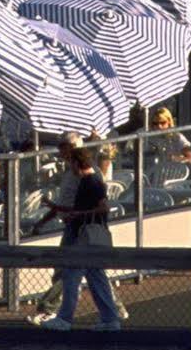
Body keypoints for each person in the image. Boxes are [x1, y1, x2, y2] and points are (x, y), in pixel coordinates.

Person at [30, 141, 122, 332]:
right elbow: (79, 208)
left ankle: (65, 318)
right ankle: (110, 318)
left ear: (75, 162)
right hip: (85, 232)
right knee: (95, 275)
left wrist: (78, 215)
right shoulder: (87, 181)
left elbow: (102, 207)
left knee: (72, 274)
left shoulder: (92, 181)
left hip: (85, 234)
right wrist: (56, 208)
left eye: (70, 161)